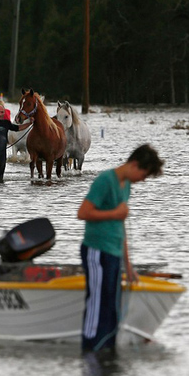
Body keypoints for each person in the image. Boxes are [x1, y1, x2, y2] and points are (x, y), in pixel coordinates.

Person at [77, 144, 164, 352]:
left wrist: (128, 264)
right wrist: (114, 214)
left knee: (111, 305)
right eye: (144, 175)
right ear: (135, 164)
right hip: (96, 250)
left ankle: (107, 350)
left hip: (114, 252)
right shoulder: (105, 180)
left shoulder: (126, 186)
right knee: (97, 304)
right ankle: (90, 350)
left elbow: (120, 226)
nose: (143, 180)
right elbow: (83, 212)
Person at [0, 101, 33, 182]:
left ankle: (0, 193)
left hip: (2, 156)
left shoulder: (6, 123)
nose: (0, 114)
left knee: (0, 179)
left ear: (4, 112)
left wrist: (30, 124)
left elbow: (18, 128)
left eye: (2, 112)